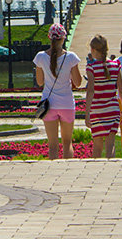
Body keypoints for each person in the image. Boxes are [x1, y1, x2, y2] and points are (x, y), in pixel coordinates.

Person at [34, 23, 82, 160]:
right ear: (63, 38)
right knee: (67, 143)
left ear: (49, 38)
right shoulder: (71, 57)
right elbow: (78, 83)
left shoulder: (40, 57)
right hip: (67, 104)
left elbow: (40, 82)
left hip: (49, 105)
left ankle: (53, 171)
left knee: (53, 145)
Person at [84, 34, 122, 159]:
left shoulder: (91, 67)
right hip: (113, 109)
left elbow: (90, 91)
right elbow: (121, 91)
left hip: (97, 110)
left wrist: (87, 113)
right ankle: (110, 167)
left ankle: (97, 170)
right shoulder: (116, 65)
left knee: (97, 145)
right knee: (110, 144)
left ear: (94, 50)